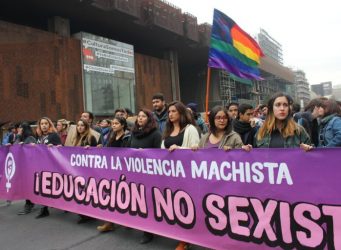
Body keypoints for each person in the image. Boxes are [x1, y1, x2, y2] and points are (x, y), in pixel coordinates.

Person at [160, 101, 200, 250]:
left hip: (186, 175)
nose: (170, 114)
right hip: (171, 175)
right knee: (174, 205)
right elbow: (162, 151)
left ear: (181, 113)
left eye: (173, 111)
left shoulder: (190, 129)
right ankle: (179, 234)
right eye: (169, 112)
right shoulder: (167, 131)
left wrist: (179, 149)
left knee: (186, 207)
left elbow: (195, 152)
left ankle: (185, 240)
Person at [128, 109, 161, 244]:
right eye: (139, 116)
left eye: (143, 116)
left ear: (149, 119)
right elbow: (128, 148)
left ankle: (149, 232)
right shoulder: (133, 134)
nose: (140, 118)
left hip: (150, 175)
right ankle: (144, 226)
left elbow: (159, 155)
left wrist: (146, 154)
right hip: (136, 173)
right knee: (139, 202)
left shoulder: (156, 134)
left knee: (149, 203)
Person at [97, 116, 130, 232]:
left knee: (125, 197)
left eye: (116, 123)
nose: (114, 125)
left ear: (122, 125)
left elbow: (127, 153)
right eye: (113, 123)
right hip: (112, 170)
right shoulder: (112, 136)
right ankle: (109, 222)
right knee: (111, 196)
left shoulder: (127, 137)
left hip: (123, 171)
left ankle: (128, 220)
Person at [35, 117, 62, 219]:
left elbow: (62, 148)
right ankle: (44, 209)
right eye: (42, 124)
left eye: (46, 123)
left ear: (50, 125)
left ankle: (64, 205)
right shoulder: (39, 136)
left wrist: (54, 147)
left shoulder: (54, 135)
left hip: (52, 166)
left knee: (55, 187)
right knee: (43, 187)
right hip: (41, 166)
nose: (44, 125)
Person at [15, 122, 37, 215]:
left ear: (24, 129)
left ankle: (29, 204)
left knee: (29, 186)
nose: (18, 130)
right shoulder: (21, 137)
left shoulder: (30, 138)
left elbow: (32, 150)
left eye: (20, 128)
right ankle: (29, 203)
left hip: (29, 167)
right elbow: (16, 147)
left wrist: (23, 144)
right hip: (23, 166)